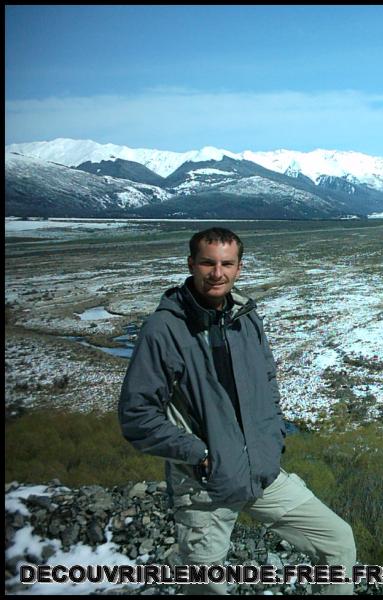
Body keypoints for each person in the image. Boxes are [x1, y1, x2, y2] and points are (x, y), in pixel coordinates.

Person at [118, 227, 356, 595]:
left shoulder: (245, 318)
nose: (217, 273)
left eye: (227, 264)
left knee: (337, 541)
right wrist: (198, 455)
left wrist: (272, 437)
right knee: (207, 587)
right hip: (205, 485)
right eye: (208, 263)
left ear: (239, 267)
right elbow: (137, 415)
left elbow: (267, 381)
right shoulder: (163, 329)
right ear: (191, 264)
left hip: (260, 472)